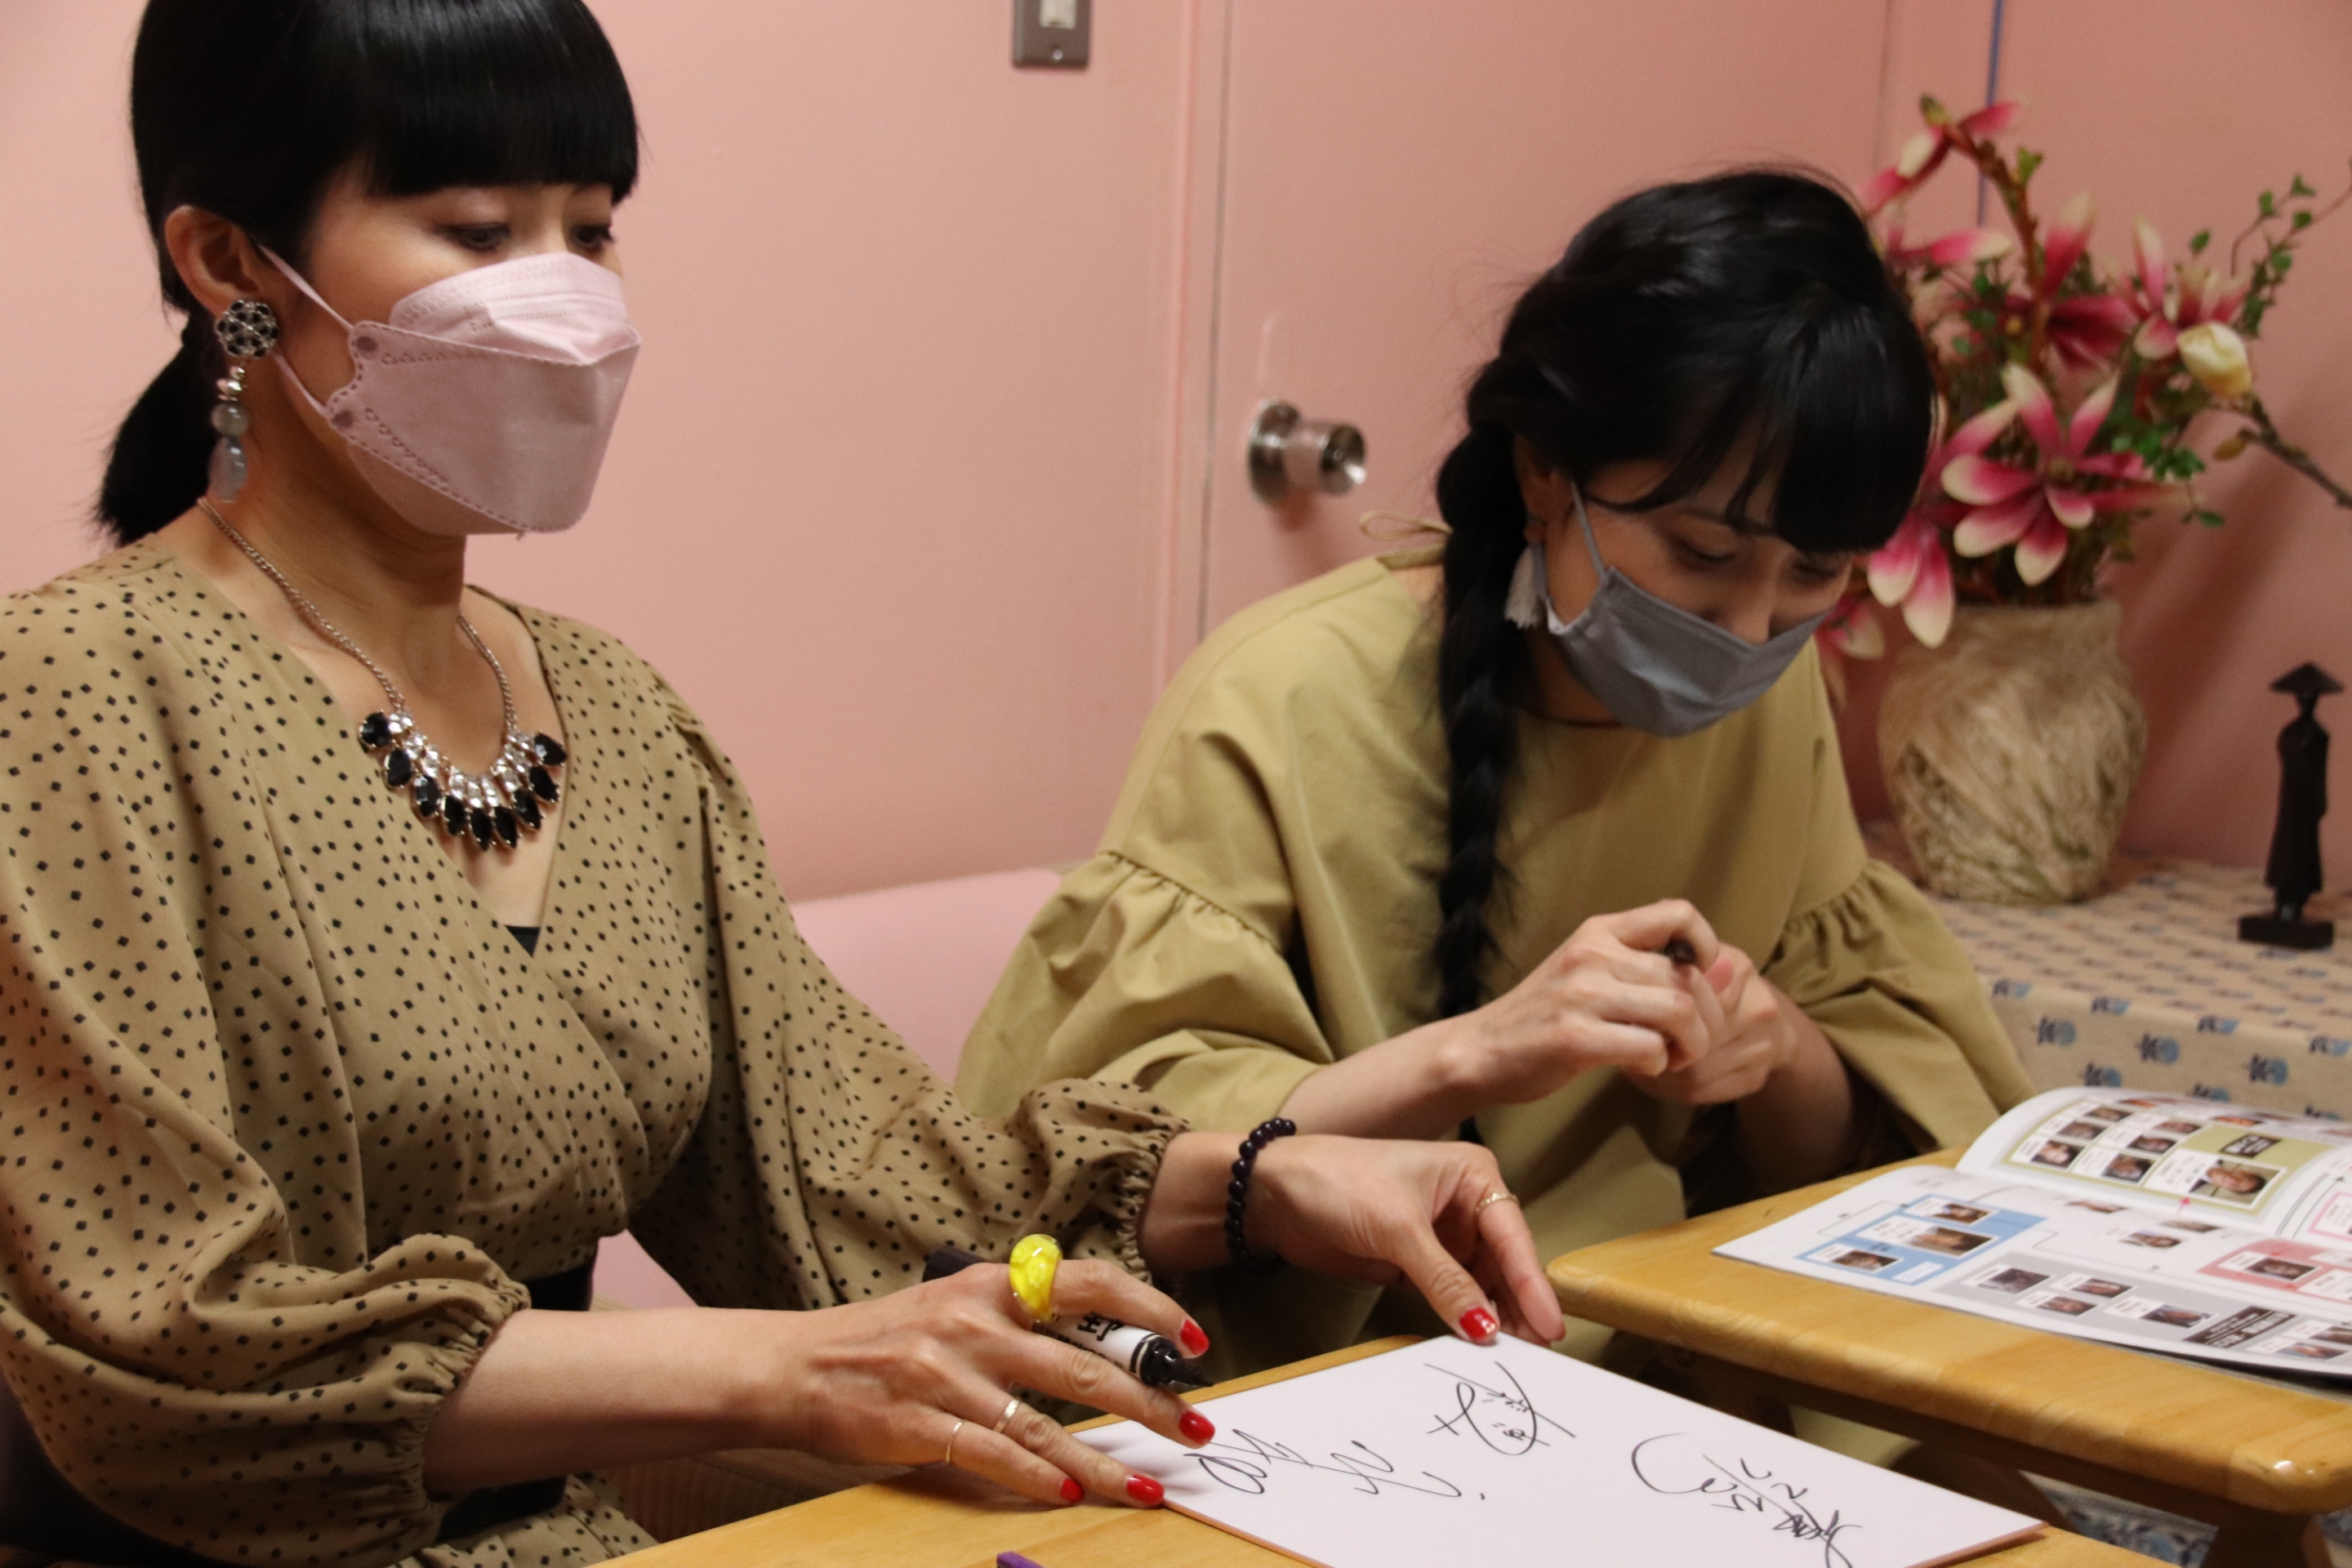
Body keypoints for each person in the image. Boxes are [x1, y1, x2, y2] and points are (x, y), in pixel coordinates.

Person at [0, 4, 1565, 1564]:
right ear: (229, 265)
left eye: (590, 232)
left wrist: (1270, 1183)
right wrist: (789, 1373)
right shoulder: (70, 699)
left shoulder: (613, 716)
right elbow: (166, 1356)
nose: (562, 299)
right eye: (477, 231)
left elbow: (858, 1174)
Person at [959, 172, 2035, 1374]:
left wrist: (1776, 1053)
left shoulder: (1778, 703)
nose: (1748, 630)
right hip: (1327, 1381)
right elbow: (1110, 1164)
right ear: (1543, 473)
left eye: (1814, 576)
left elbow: (1862, 1161)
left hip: (1664, 1354)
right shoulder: (1282, 699)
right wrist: (1478, 1050)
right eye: (1702, 553)